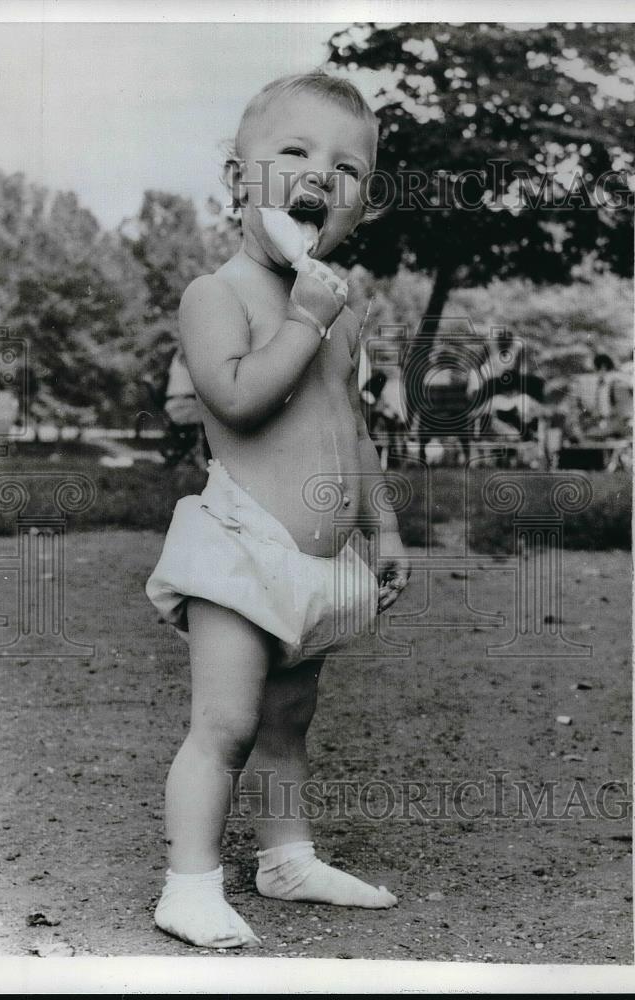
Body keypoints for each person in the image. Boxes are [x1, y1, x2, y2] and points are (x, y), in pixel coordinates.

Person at [145, 72, 411, 949]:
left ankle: (286, 857)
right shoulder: (216, 294)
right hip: (240, 550)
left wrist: (383, 524)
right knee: (225, 723)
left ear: (359, 207)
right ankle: (188, 883)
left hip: (316, 561)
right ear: (236, 182)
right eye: (291, 154)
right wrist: (299, 322)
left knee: (291, 720)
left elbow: (351, 427)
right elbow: (237, 400)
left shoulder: (339, 310)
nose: (317, 176)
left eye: (344, 168)